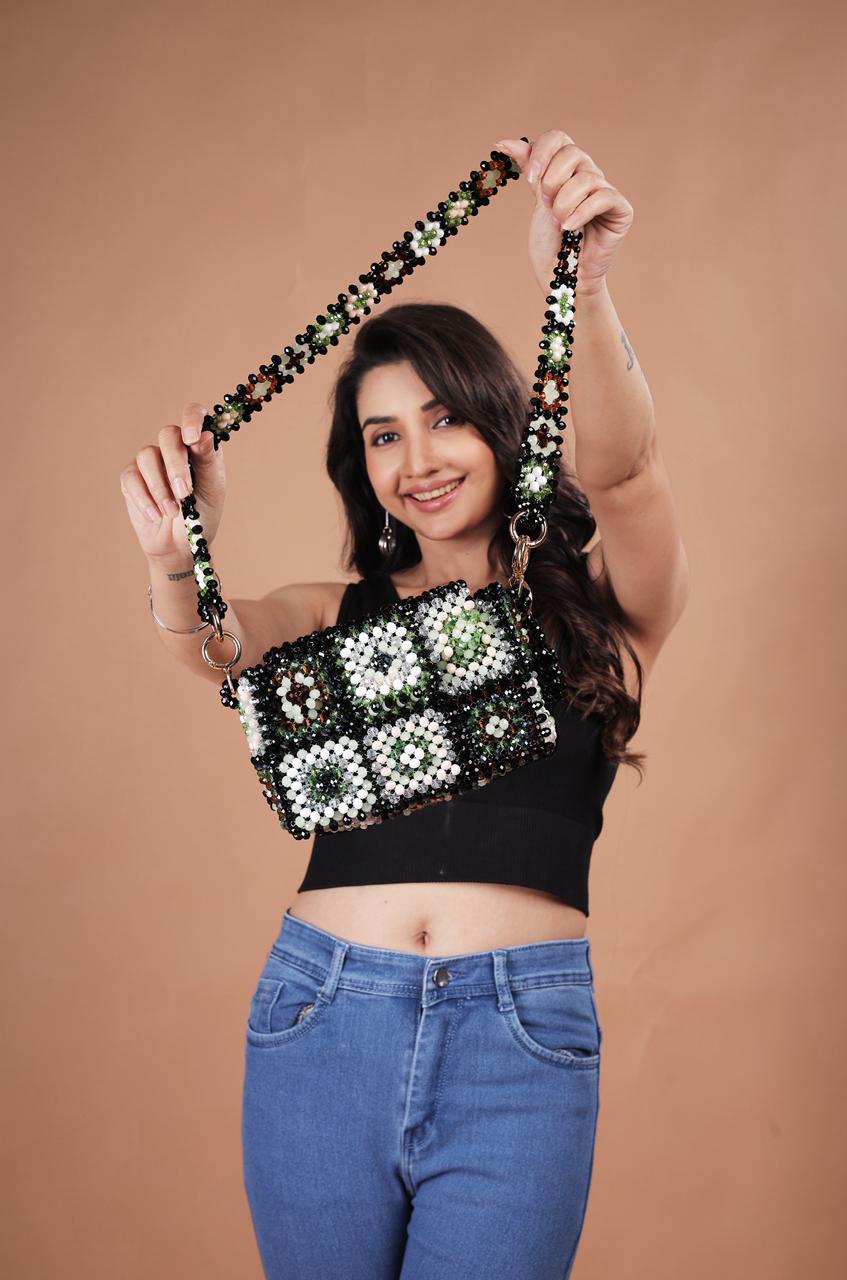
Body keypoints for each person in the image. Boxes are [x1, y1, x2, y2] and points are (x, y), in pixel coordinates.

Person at [120, 130, 689, 1279]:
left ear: (499, 419)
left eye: (443, 417)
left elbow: (624, 472)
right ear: (363, 466)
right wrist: (178, 551)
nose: (416, 458)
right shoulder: (335, 612)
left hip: (517, 1044)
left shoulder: (605, 605)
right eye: (383, 434)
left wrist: (579, 283)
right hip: (321, 1020)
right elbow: (215, 647)